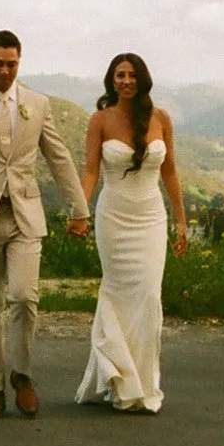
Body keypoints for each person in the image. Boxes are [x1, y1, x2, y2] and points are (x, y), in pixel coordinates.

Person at [0, 30, 90, 419]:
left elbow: (59, 157)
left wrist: (79, 209)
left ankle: (22, 377)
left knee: (24, 297)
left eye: (12, 64)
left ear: (19, 63)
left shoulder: (37, 105)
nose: (6, 70)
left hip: (25, 216)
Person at [75, 52, 187, 414]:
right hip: (114, 219)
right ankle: (118, 381)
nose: (125, 80)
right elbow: (90, 171)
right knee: (118, 294)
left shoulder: (161, 119)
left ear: (142, 79)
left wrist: (182, 221)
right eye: (119, 74)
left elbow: (170, 172)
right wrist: (80, 210)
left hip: (151, 218)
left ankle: (143, 383)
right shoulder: (99, 120)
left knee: (150, 298)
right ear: (111, 80)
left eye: (131, 74)